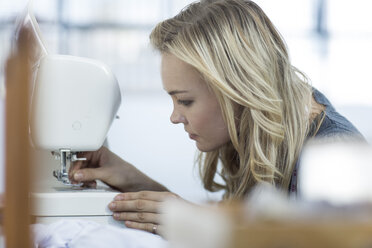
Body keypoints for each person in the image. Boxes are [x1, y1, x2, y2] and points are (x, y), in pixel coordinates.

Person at [70, 0, 364, 236]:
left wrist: (198, 220)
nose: (175, 117)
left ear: (238, 90)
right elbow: (256, 232)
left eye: (185, 100)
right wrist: (135, 182)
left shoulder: (334, 154)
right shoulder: (270, 126)